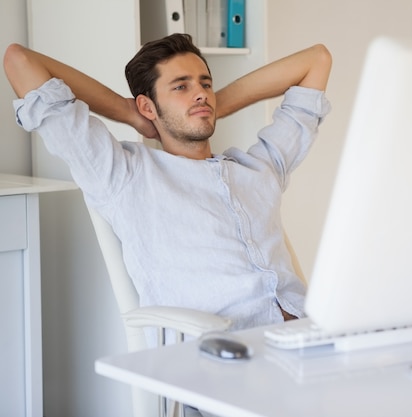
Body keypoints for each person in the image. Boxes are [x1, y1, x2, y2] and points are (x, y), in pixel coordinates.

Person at [4, 33, 332, 332]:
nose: (201, 94)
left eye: (205, 84)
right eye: (181, 86)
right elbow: (20, 61)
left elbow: (316, 59)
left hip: (309, 338)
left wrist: (206, 106)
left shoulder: (260, 167)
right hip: (222, 357)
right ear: (147, 105)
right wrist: (130, 112)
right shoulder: (123, 175)